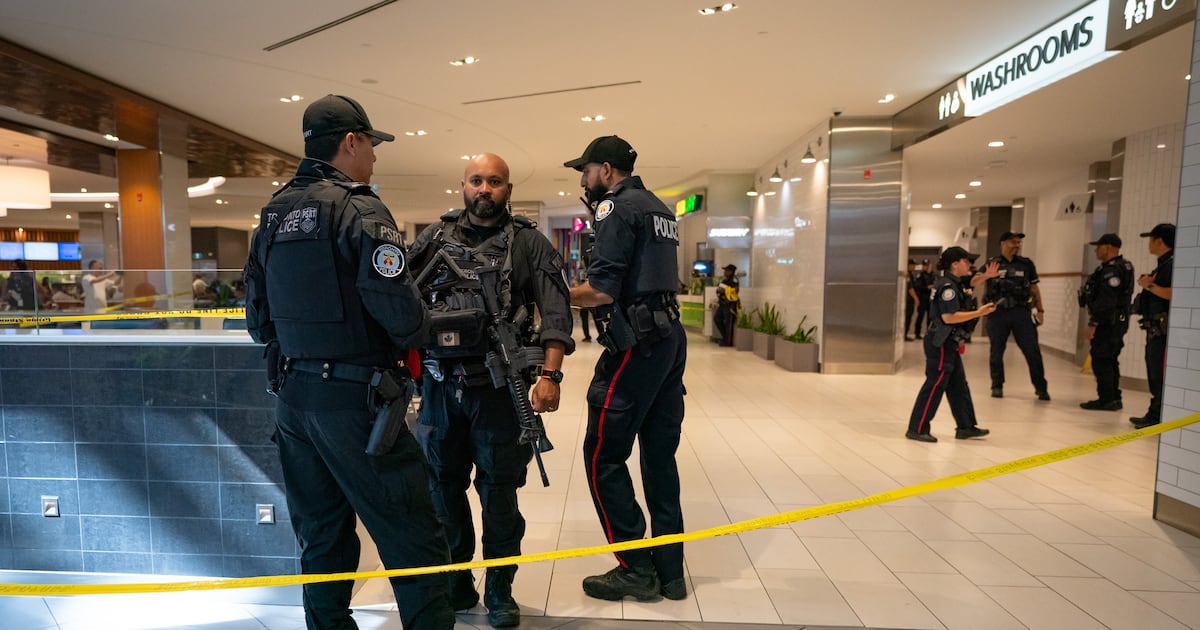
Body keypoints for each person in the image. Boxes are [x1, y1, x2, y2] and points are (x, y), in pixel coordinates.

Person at [243, 94, 454, 630]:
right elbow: (400, 315)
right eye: (372, 147)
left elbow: (258, 321)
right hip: (357, 406)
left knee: (321, 532)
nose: (375, 160)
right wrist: (423, 327)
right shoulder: (359, 208)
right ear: (351, 142)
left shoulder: (274, 212)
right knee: (413, 534)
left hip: (294, 401)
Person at [407, 153, 574, 628]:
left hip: (500, 392)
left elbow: (556, 314)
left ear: (508, 189)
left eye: (494, 182)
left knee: (499, 495)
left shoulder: (529, 243)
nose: (485, 189)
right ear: (462, 185)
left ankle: (500, 588)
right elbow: (399, 299)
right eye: (476, 180)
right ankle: (458, 581)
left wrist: (550, 375)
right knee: (443, 491)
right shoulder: (434, 238)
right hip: (440, 392)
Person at [564, 135, 688, 602]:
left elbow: (601, 289)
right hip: (670, 340)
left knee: (602, 454)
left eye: (587, 170)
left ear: (607, 170)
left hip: (636, 344)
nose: (583, 179)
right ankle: (670, 572)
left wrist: (547, 295)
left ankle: (635, 566)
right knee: (659, 457)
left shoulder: (615, 208)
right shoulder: (661, 208)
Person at [906, 247, 996, 443]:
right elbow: (949, 317)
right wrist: (979, 313)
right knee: (935, 384)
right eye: (967, 261)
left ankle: (966, 427)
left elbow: (971, 281)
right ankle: (917, 428)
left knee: (958, 385)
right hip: (941, 342)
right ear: (955, 264)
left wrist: (987, 276)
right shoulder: (948, 287)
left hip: (949, 342)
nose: (970, 265)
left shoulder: (952, 282)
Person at [976, 231, 1050, 401]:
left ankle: (1041, 388)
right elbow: (975, 281)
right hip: (998, 313)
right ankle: (997, 385)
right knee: (996, 351)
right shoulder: (991, 264)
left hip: (1021, 313)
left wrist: (1040, 310)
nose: (1017, 245)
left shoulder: (1026, 264)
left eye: (1018, 242)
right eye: (1013, 242)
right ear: (1003, 243)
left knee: (1032, 351)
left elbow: (1034, 288)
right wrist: (987, 275)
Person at [1079, 233, 1135, 411]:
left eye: (1099, 246)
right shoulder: (1125, 266)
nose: (1096, 250)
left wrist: (1093, 324)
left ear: (1109, 247)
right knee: (1110, 359)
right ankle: (1113, 397)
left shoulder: (1111, 270)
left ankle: (1106, 399)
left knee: (1101, 359)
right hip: (1118, 320)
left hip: (1108, 322)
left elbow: (1107, 302)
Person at [1131, 223, 1174, 428]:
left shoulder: (1172, 263)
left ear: (1159, 241)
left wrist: (1148, 284)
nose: (1149, 244)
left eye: (1151, 239)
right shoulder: (1164, 263)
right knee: (1154, 372)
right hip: (1155, 328)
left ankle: (1158, 415)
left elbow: (1172, 293)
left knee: (1158, 373)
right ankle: (1155, 413)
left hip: (1163, 330)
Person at [712, 264, 740, 346]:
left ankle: (728, 341)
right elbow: (719, 289)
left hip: (730, 305)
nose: (725, 272)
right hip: (722, 303)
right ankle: (724, 337)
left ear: (731, 272)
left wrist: (724, 290)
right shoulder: (724, 280)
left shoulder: (734, 280)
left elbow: (734, 291)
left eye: (726, 270)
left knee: (729, 323)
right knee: (717, 318)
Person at [911, 259, 934, 339]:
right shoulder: (920, 275)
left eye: (928, 265)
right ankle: (917, 333)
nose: (927, 267)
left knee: (930, 318)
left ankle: (929, 334)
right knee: (920, 317)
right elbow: (917, 286)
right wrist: (926, 287)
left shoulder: (933, 275)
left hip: (931, 300)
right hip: (922, 298)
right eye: (925, 265)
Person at [903, 259, 918, 341]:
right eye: (913, 265)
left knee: (909, 318)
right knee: (907, 318)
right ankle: (904, 335)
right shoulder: (907, 274)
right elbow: (910, 288)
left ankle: (905, 334)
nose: (914, 267)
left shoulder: (911, 274)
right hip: (908, 301)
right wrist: (916, 298)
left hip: (909, 301)